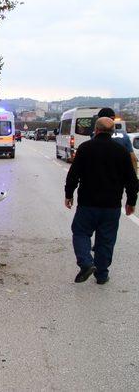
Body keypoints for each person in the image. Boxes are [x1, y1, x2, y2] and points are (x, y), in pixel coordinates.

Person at [65, 117, 138, 284]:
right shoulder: (121, 151)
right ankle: (102, 275)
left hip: (87, 204)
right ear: (112, 132)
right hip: (111, 206)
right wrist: (131, 202)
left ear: (96, 130)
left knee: (81, 233)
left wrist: (69, 194)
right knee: (106, 240)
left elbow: (73, 175)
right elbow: (131, 180)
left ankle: (86, 263)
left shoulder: (85, 148)